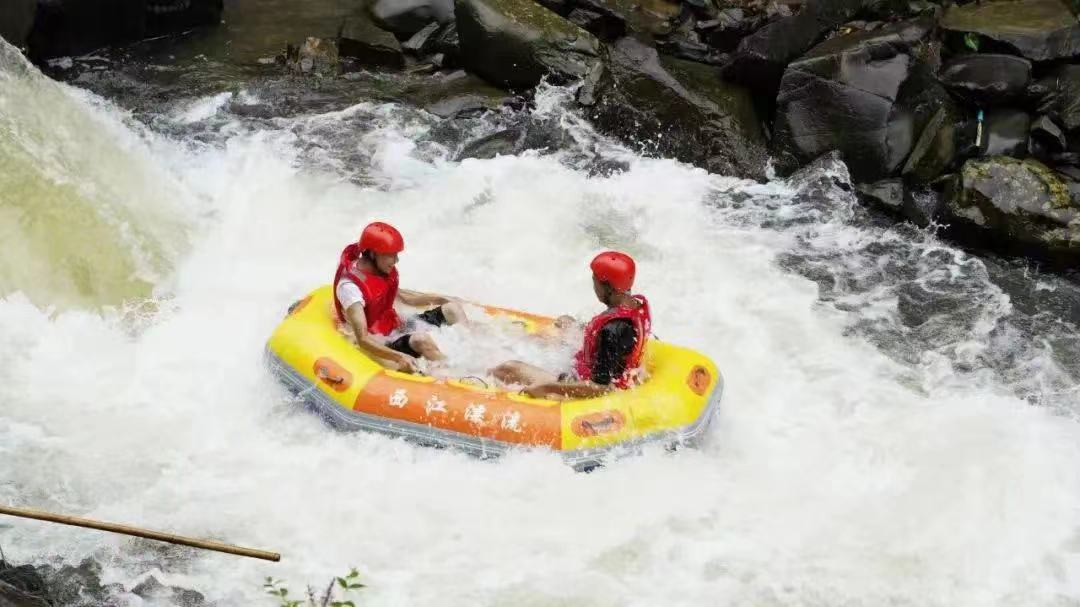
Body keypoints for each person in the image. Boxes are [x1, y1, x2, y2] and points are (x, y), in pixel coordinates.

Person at [492, 251, 651, 399]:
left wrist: (548, 388)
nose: (594, 288)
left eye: (595, 282)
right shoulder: (637, 305)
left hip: (579, 382)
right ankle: (514, 339)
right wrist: (577, 328)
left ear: (608, 287)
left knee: (507, 368)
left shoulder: (611, 331)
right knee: (563, 324)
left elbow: (602, 388)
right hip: (595, 364)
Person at [334, 221, 466, 373]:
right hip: (381, 342)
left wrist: (441, 299)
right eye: (391, 255)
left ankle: (475, 352)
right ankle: (460, 376)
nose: (396, 260)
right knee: (421, 340)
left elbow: (406, 297)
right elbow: (362, 339)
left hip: (395, 327)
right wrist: (399, 357)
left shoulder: (380, 271)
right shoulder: (350, 289)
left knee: (452, 309)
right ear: (373, 254)